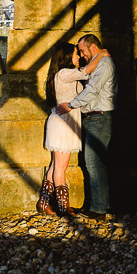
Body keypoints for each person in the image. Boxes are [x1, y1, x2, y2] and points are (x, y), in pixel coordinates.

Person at [38, 41, 108, 215]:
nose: (79, 57)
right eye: (77, 54)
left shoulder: (63, 74)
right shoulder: (64, 73)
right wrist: (102, 54)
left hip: (62, 122)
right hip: (63, 124)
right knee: (60, 167)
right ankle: (63, 207)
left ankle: (44, 202)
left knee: (55, 165)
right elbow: (86, 71)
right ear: (67, 56)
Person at [55, 34, 117, 218]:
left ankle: (98, 209)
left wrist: (71, 104)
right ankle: (100, 205)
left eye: (82, 51)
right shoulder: (100, 62)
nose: (81, 55)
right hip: (92, 118)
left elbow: (93, 90)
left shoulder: (104, 64)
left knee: (93, 163)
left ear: (92, 47)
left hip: (100, 118)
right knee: (94, 163)